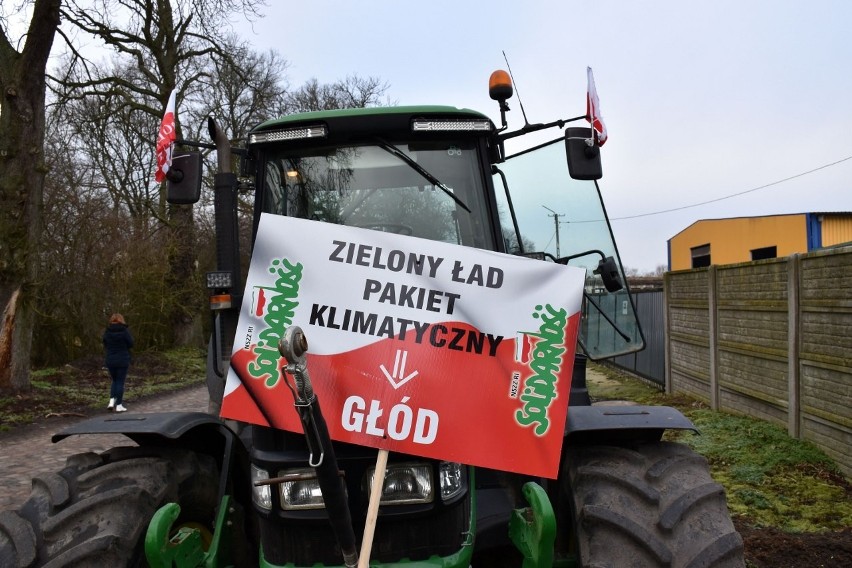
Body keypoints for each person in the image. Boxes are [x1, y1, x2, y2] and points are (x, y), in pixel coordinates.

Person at [103, 313, 134, 412]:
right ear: (121, 320)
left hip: (110, 359)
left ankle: (111, 401)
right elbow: (131, 343)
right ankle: (119, 405)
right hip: (122, 359)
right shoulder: (124, 331)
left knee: (114, 380)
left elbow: (104, 343)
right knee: (120, 381)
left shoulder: (107, 332)